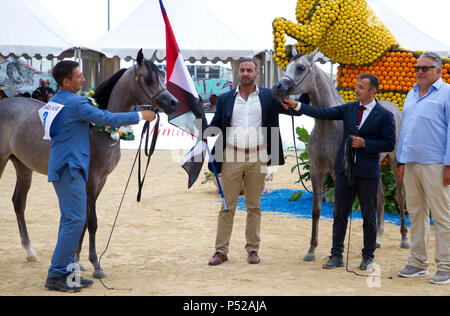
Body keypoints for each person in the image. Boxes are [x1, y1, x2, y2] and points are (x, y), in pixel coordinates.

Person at [44, 60, 156, 292]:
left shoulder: (55, 101)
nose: (82, 80)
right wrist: (139, 116)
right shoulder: (75, 103)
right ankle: (56, 273)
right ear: (66, 82)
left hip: (63, 165)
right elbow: (108, 118)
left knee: (70, 220)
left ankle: (67, 272)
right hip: (70, 168)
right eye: (78, 76)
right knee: (75, 220)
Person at [282, 73, 396, 270]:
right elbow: (322, 113)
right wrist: (297, 106)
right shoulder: (349, 109)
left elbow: (389, 142)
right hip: (344, 170)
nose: (356, 89)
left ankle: (367, 256)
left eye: (361, 87)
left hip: (368, 173)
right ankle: (336, 255)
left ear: (372, 91)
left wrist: (366, 143)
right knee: (340, 214)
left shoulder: (385, 115)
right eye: (357, 85)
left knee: (369, 216)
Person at [207, 58, 301, 266]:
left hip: (258, 157)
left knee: (254, 206)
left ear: (256, 74)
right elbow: (215, 125)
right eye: (242, 70)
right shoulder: (224, 99)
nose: (246, 73)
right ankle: (221, 251)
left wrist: (303, 100)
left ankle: (252, 250)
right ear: (238, 74)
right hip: (231, 156)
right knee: (227, 206)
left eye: (249, 70)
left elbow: (293, 108)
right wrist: (201, 129)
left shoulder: (269, 96)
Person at [396, 52, 450, 285]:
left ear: (439, 71)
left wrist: (449, 165)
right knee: (416, 213)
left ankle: (446, 266)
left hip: (436, 164)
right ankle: (418, 262)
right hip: (411, 164)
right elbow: (406, 128)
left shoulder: (447, 93)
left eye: (425, 68)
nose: (420, 71)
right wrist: (400, 161)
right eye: (418, 67)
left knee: (442, 217)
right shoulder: (411, 93)